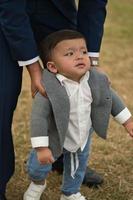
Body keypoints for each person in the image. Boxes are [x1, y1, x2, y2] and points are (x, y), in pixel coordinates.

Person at [0, 1, 107, 199]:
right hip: (6, 7)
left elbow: (94, 3)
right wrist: (34, 70)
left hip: (56, 7)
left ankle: (63, 159)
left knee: (72, 85)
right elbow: (10, 7)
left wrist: (89, 63)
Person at [23, 30, 133, 200]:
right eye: (70, 53)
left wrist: (128, 122)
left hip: (81, 135)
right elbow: (39, 118)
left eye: (83, 52)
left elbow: (110, 99)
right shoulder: (48, 88)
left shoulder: (94, 79)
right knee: (39, 166)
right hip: (54, 135)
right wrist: (41, 147)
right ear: (52, 66)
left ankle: (70, 192)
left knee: (77, 166)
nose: (80, 56)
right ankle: (37, 183)